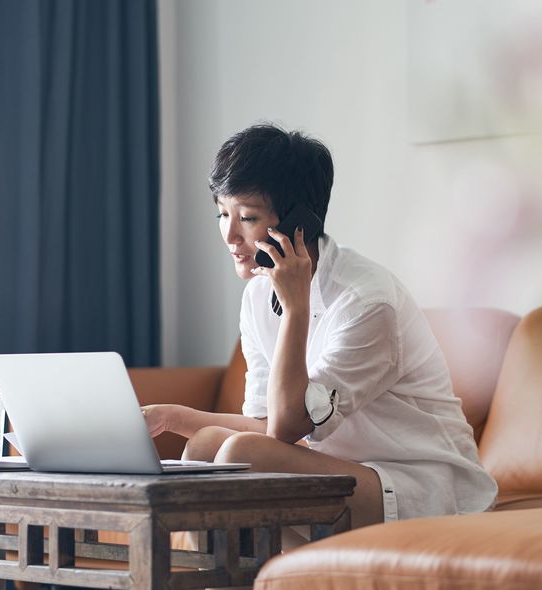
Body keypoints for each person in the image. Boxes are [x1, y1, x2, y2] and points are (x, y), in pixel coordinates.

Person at [142, 124, 497, 532]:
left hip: (421, 487)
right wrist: (171, 417)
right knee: (205, 445)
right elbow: (266, 426)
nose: (230, 235)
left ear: (300, 224)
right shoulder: (258, 295)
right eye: (223, 214)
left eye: (247, 217)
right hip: (341, 471)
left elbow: (285, 427)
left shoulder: (367, 302)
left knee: (242, 455)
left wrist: (296, 309)